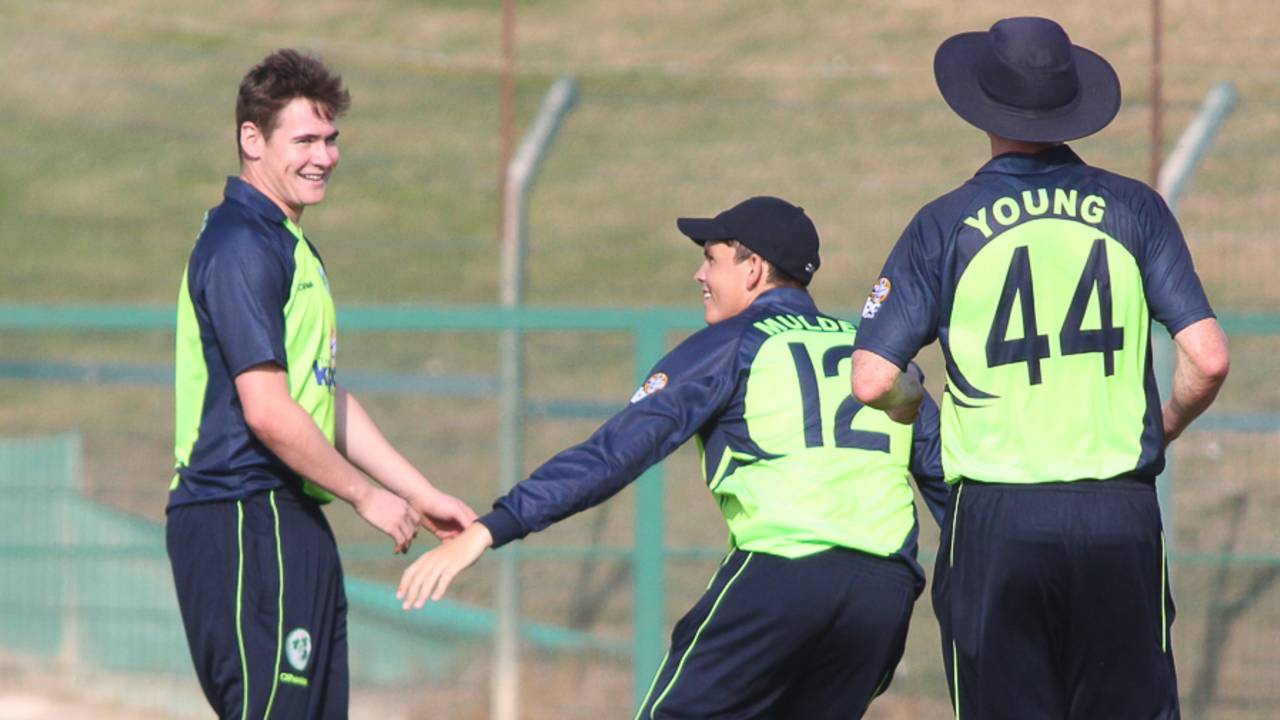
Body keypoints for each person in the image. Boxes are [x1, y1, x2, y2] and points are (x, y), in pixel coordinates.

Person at [398, 196, 950, 719]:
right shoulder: (871, 354)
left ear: (753, 268)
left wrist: (493, 527)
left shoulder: (737, 341)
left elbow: (615, 452)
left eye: (711, 259)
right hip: (884, 595)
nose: (700, 276)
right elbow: (954, 484)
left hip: (784, 577)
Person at [850, 17, 1230, 720]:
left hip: (997, 518)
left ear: (980, 105)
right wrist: (1163, 427)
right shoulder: (1134, 208)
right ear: (1071, 104)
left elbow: (874, 378)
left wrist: (912, 404)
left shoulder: (945, 222)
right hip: (1120, 511)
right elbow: (1207, 358)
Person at [166, 49, 476, 719]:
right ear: (253, 139)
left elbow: (320, 398)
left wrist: (418, 494)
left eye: (331, 139)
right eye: (304, 139)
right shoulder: (240, 244)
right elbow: (270, 413)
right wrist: (369, 498)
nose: (325, 156)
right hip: (243, 512)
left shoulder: (289, 244)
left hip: (289, 514)